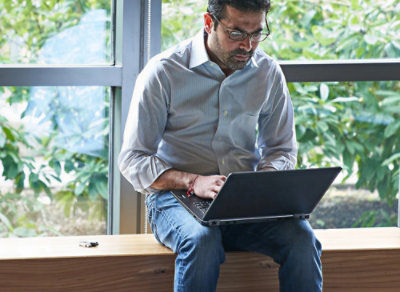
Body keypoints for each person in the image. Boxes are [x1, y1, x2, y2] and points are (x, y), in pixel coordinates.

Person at [118, 0, 323, 291]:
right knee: (202, 241)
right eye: (237, 33)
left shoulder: (267, 72)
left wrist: (266, 182)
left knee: (302, 239)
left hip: (246, 201)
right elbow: (133, 159)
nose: (248, 45)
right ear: (208, 22)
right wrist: (193, 181)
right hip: (175, 199)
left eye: (257, 34)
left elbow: (280, 149)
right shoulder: (164, 72)